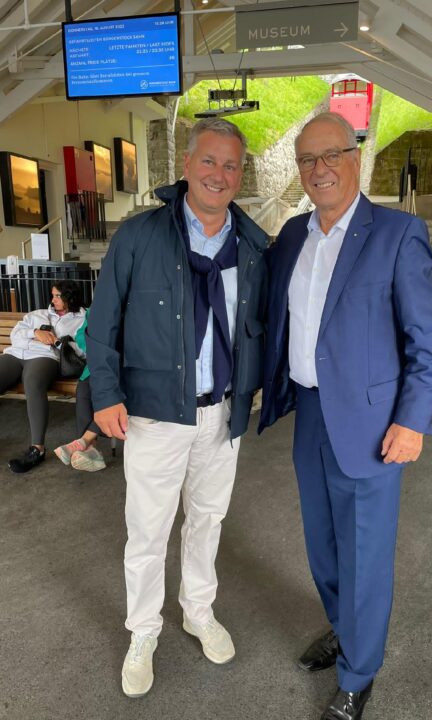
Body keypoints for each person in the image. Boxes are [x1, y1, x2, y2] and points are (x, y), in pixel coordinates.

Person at [259, 112, 432, 720]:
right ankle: (345, 629)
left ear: (355, 158)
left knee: (364, 555)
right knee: (323, 546)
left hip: (372, 424)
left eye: (331, 155)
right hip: (310, 412)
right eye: (307, 159)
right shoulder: (292, 235)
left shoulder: (397, 233)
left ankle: (359, 672)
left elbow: (425, 341)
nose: (319, 169)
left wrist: (413, 421)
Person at [85, 118, 268, 698]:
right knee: (147, 529)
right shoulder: (140, 236)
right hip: (155, 413)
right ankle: (143, 630)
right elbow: (102, 322)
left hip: (221, 414)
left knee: (207, 520)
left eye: (230, 165)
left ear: (240, 175)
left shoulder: (252, 246)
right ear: (186, 166)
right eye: (208, 161)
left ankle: (198, 610)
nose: (219, 174)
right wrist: (105, 394)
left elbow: (258, 326)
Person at [0, 280, 86, 473]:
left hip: (45, 357)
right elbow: (15, 334)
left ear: (70, 297)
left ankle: (37, 449)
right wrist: (35, 332)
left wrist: (57, 342)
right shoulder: (38, 314)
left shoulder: (82, 319)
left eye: (58, 296)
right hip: (16, 354)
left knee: (32, 381)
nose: (53, 300)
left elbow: (82, 350)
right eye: (53, 295)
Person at [53, 311, 106, 472]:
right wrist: (98, 346)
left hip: (123, 367)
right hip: (98, 364)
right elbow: (81, 335)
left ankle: (82, 443)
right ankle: (90, 449)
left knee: (110, 396)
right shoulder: (95, 310)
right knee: (83, 391)